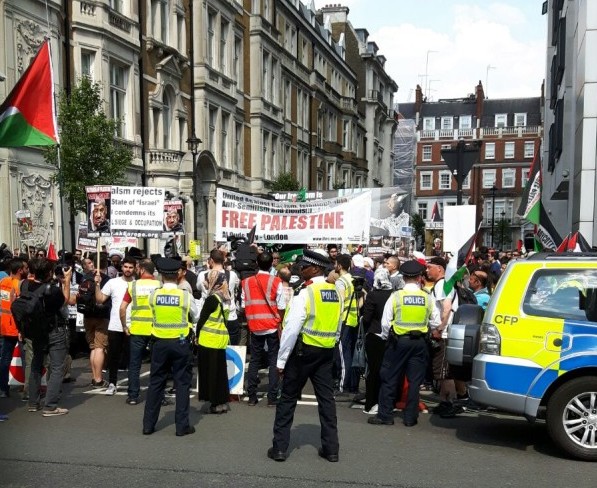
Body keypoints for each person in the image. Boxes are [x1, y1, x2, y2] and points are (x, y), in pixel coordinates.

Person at [268, 249, 343, 463]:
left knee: (288, 399)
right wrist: (332, 342)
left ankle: (280, 448)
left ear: (316, 269)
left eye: (305, 266)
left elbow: (291, 330)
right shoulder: (335, 292)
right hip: (326, 352)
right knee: (326, 401)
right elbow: (338, 324)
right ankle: (331, 450)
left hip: (303, 353)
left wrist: (281, 361)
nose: (300, 269)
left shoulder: (305, 294)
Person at [368, 260, 438, 427]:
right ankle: (410, 417)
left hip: (398, 342)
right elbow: (435, 322)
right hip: (420, 342)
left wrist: (386, 338)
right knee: (415, 381)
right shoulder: (426, 297)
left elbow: (385, 323)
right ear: (420, 277)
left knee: (390, 377)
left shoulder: (396, 296)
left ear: (403, 277)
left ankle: (385, 416)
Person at [143, 258, 198, 436]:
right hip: (180, 343)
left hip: (159, 342)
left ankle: (148, 425)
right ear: (178, 275)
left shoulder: (154, 295)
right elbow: (195, 317)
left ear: (161, 276)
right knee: (182, 384)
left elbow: (153, 312)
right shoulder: (184, 296)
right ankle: (182, 427)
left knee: (156, 383)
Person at [26, 258, 72, 416]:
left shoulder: (25, 285)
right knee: (57, 367)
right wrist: (66, 282)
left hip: (35, 330)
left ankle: (33, 402)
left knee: (36, 365)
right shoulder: (51, 290)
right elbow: (65, 301)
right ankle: (50, 406)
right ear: (49, 272)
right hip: (54, 330)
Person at [242, 252, 286, 407]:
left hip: (254, 324)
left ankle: (252, 396)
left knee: (254, 359)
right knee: (273, 360)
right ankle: (272, 397)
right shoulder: (276, 281)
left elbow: (243, 304)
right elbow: (281, 306)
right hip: (272, 325)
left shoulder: (246, 282)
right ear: (271, 264)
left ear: (257, 263)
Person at [120, 258, 161, 405]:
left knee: (134, 364)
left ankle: (133, 396)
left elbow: (122, 308)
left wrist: (125, 326)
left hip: (137, 329)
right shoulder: (159, 285)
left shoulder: (133, 285)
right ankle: (158, 396)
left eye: (137, 268)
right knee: (157, 364)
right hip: (156, 329)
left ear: (142, 269)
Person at [94, 256, 137, 395]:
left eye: (131, 267)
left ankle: (133, 383)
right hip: (115, 325)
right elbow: (100, 299)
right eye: (126, 267)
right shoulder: (113, 282)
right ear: (122, 267)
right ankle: (112, 383)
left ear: (135, 269)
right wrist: (97, 284)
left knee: (132, 357)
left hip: (134, 326)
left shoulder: (137, 284)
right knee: (114, 356)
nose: (128, 270)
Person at [196, 270, 231, 414]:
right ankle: (222, 402)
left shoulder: (211, 300)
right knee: (220, 373)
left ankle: (214, 403)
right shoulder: (224, 298)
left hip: (208, 340)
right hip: (220, 340)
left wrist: (196, 336)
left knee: (210, 374)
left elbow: (202, 320)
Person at [360, 267, 393, 415]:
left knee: (373, 371)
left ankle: (371, 403)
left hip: (374, 335)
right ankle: (387, 402)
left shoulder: (373, 296)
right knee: (389, 371)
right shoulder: (394, 295)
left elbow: (366, 318)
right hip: (392, 335)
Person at [198, 249, 240, 345]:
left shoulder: (202, 275)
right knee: (231, 350)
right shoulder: (232, 275)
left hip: (209, 319)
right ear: (224, 260)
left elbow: (198, 288)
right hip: (230, 316)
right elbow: (237, 286)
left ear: (211, 261)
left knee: (211, 351)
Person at [80, 255, 111, 388]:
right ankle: (98, 379)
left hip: (87, 315)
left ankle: (94, 376)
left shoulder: (86, 277)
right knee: (99, 347)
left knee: (93, 347)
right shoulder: (106, 279)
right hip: (101, 315)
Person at [0, 258, 28, 398]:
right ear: (19, 270)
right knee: (26, 359)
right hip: (17, 327)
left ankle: (3, 389)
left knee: (5, 358)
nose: (27, 270)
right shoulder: (19, 286)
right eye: (25, 268)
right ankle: (26, 388)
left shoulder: (2, 283)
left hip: (4, 325)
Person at [334, 254, 360, 396]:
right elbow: (363, 295)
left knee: (343, 354)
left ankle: (343, 385)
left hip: (343, 320)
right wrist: (357, 307)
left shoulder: (341, 281)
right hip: (353, 319)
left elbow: (340, 302)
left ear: (339, 265)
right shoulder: (352, 279)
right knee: (350, 353)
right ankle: (351, 384)